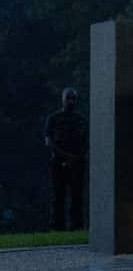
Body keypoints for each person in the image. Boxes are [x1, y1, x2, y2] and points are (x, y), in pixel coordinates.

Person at [44, 86, 89, 231]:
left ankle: (76, 226)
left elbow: (86, 141)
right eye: (68, 98)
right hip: (58, 163)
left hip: (77, 163)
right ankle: (57, 227)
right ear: (62, 100)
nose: (71, 102)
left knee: (77, 196)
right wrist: (66, 156)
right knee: (58, 195)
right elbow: (48, 141)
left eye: (73, 99)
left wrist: (76, 157)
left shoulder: (81, 120)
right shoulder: (53, 118)